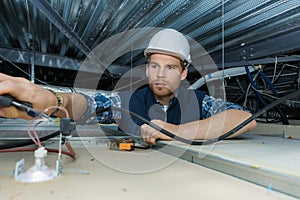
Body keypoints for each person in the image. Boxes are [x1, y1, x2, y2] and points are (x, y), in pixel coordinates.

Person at [0, 28, 257, 145]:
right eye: (154, 66)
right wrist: (51, 100)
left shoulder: (199, 102)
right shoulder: (127, 101)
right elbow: (89, 105)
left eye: (170, 68)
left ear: (184, 72)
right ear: (146, 69)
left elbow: (245, 119)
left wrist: (175, 130)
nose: (160, 74)